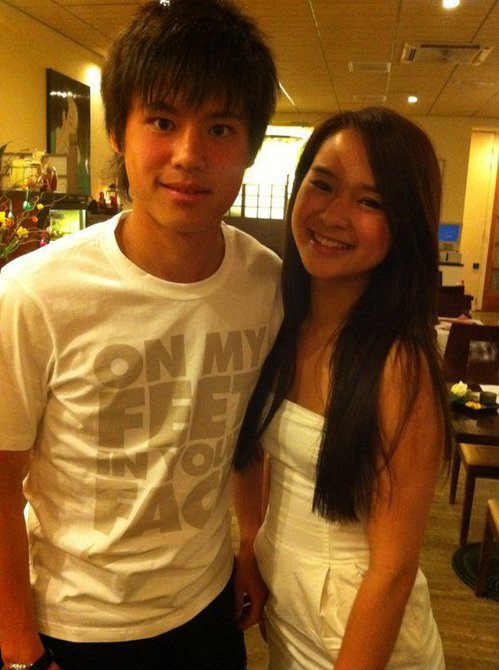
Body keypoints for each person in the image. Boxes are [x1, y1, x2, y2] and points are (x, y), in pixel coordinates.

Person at [0, 1, 281, 669]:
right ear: (119, 134)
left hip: (207, 610)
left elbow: (247, 439)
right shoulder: (33, 294)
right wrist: (18, 649)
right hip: (74, 626)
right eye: (162, 121)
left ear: (248, 149)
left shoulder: (265, 283)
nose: (189, 156)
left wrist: (250, 545)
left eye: (219, 128)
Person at [234, 107, 454, 669]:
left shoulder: (399, 365)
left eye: (370, 202)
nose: (333, 216)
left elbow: (393, 570)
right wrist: (251, 546)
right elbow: (254, 451)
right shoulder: (284, 320)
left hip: (362, 641)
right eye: (323, 185)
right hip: (292, 615)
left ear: (405, 223)